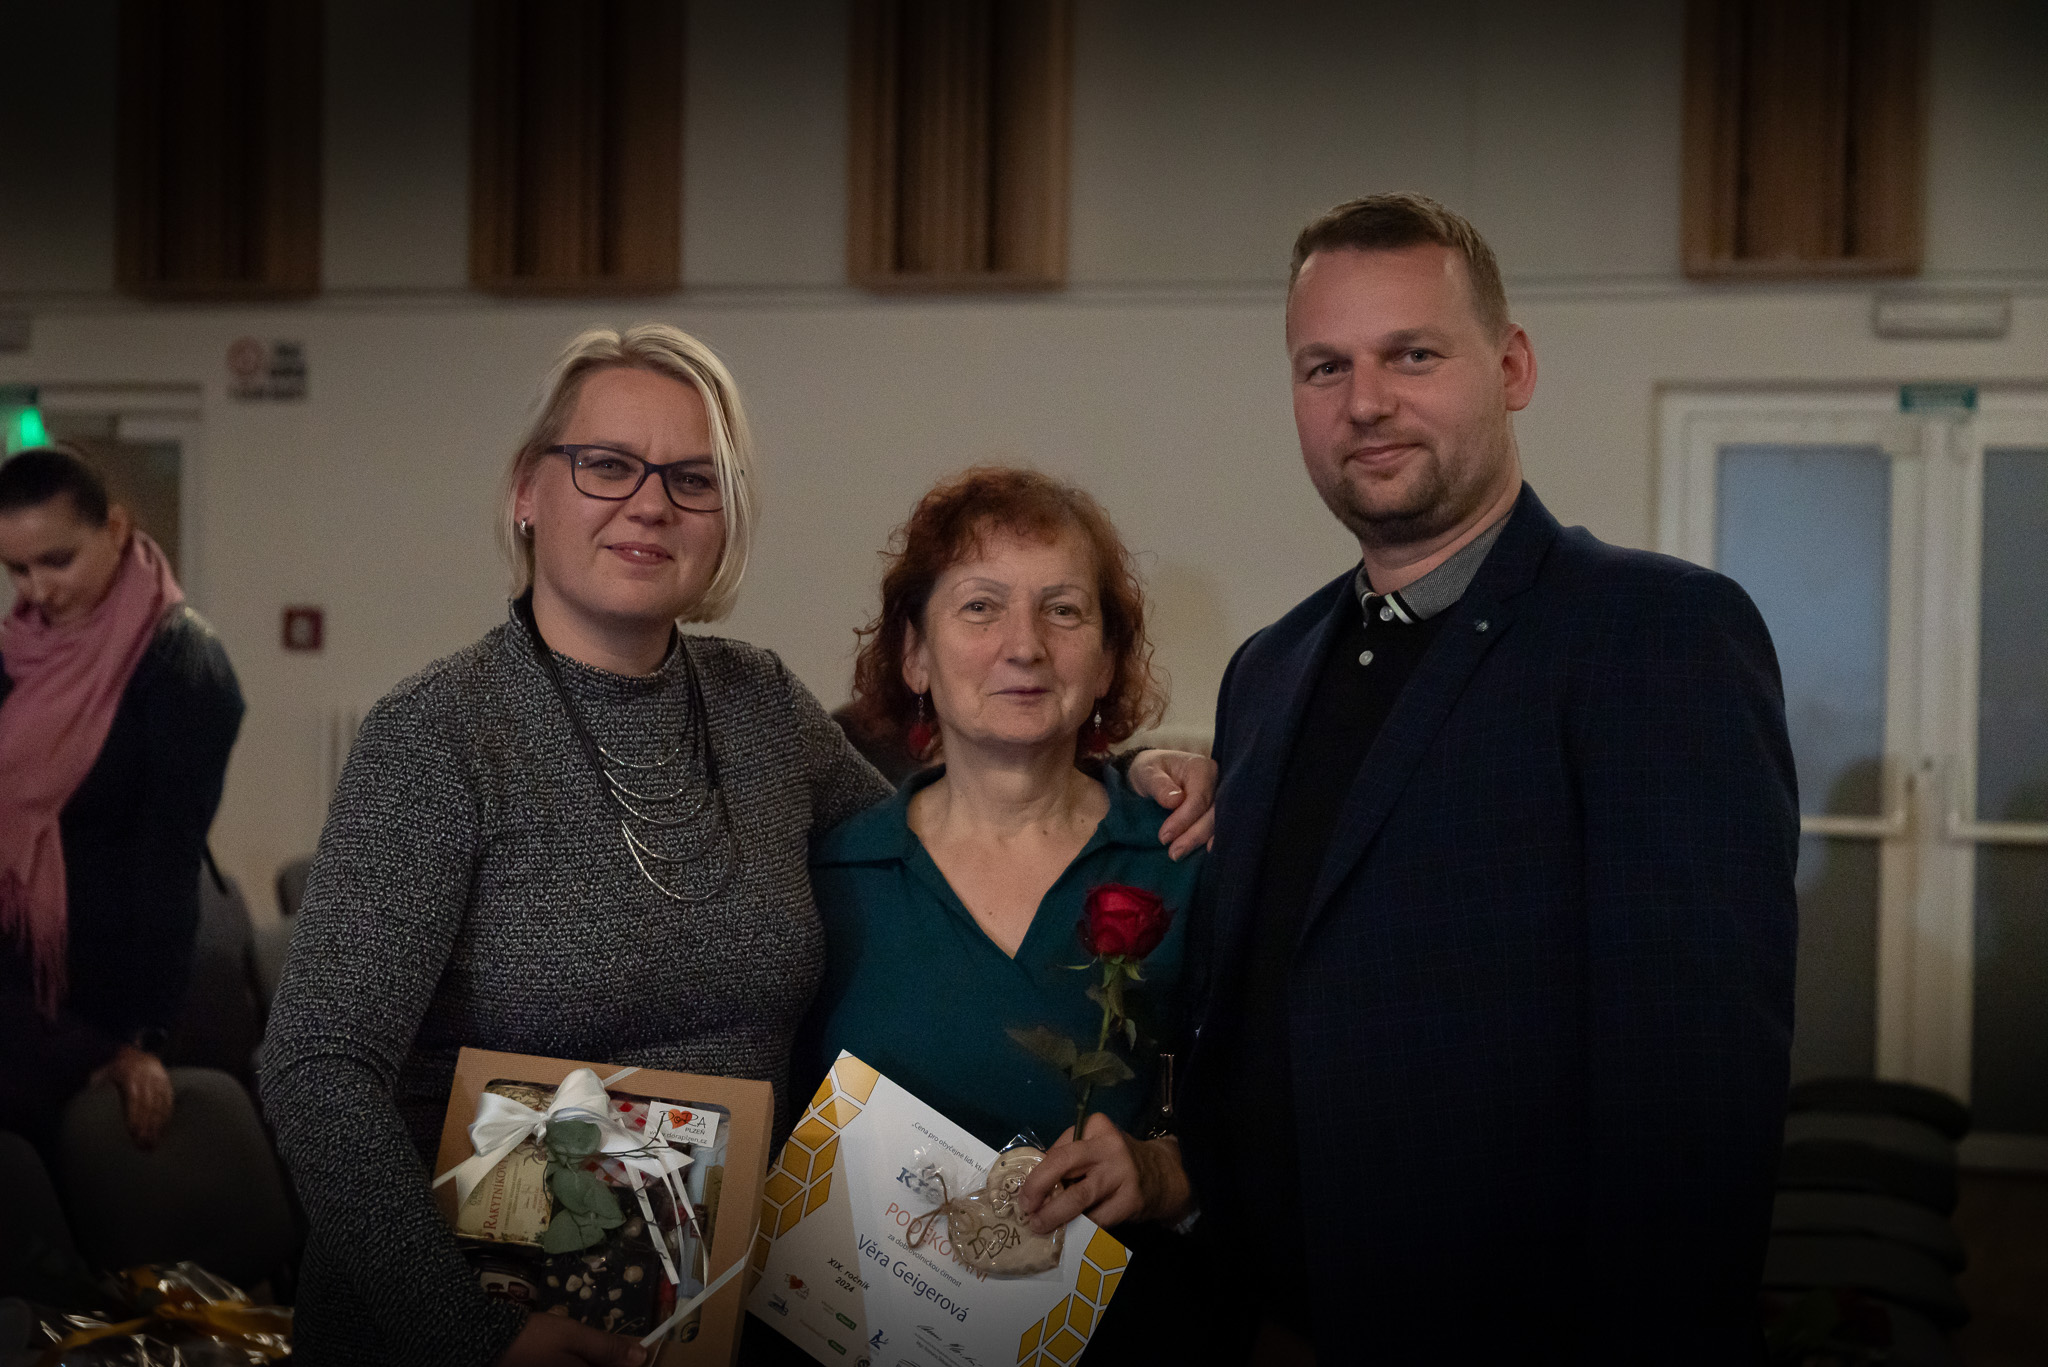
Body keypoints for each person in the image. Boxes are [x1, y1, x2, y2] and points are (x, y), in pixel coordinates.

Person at [257, 325, 1216, 1367]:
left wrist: (1133, 775)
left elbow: (951, 830)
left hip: (700, 1319)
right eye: (607, 464)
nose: (650, 503)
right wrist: (474, 1333)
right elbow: (316, 1068)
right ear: (529, 490)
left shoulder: (760, 706)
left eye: (691, 478)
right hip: (468, 1322)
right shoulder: (436, 734)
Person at [1178, 194, 1799, 1362]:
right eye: (1324, 366)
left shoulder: (1651, 634)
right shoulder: (1268, 668)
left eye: (1411, 354)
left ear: (1510, 367)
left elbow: (1696, 1087)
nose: (1365, 401)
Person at [797, 468, 1203, 1362]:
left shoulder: (1189, 860)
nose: (1024, 645)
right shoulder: (825, 878)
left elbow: (1276, 1123)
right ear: (915, 654)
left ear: (1107, 659)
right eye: (980, 607)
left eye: (1063, 610)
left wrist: (1167, 1171)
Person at [0, 445, 243, 1153]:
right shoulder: (17, 651)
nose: (38, 590)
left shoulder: (181, 662)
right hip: (17, 979)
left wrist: (143, 1037)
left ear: (114, 527)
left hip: (102, 990)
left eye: (58, 560)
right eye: (17, 569)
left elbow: (167, 862)